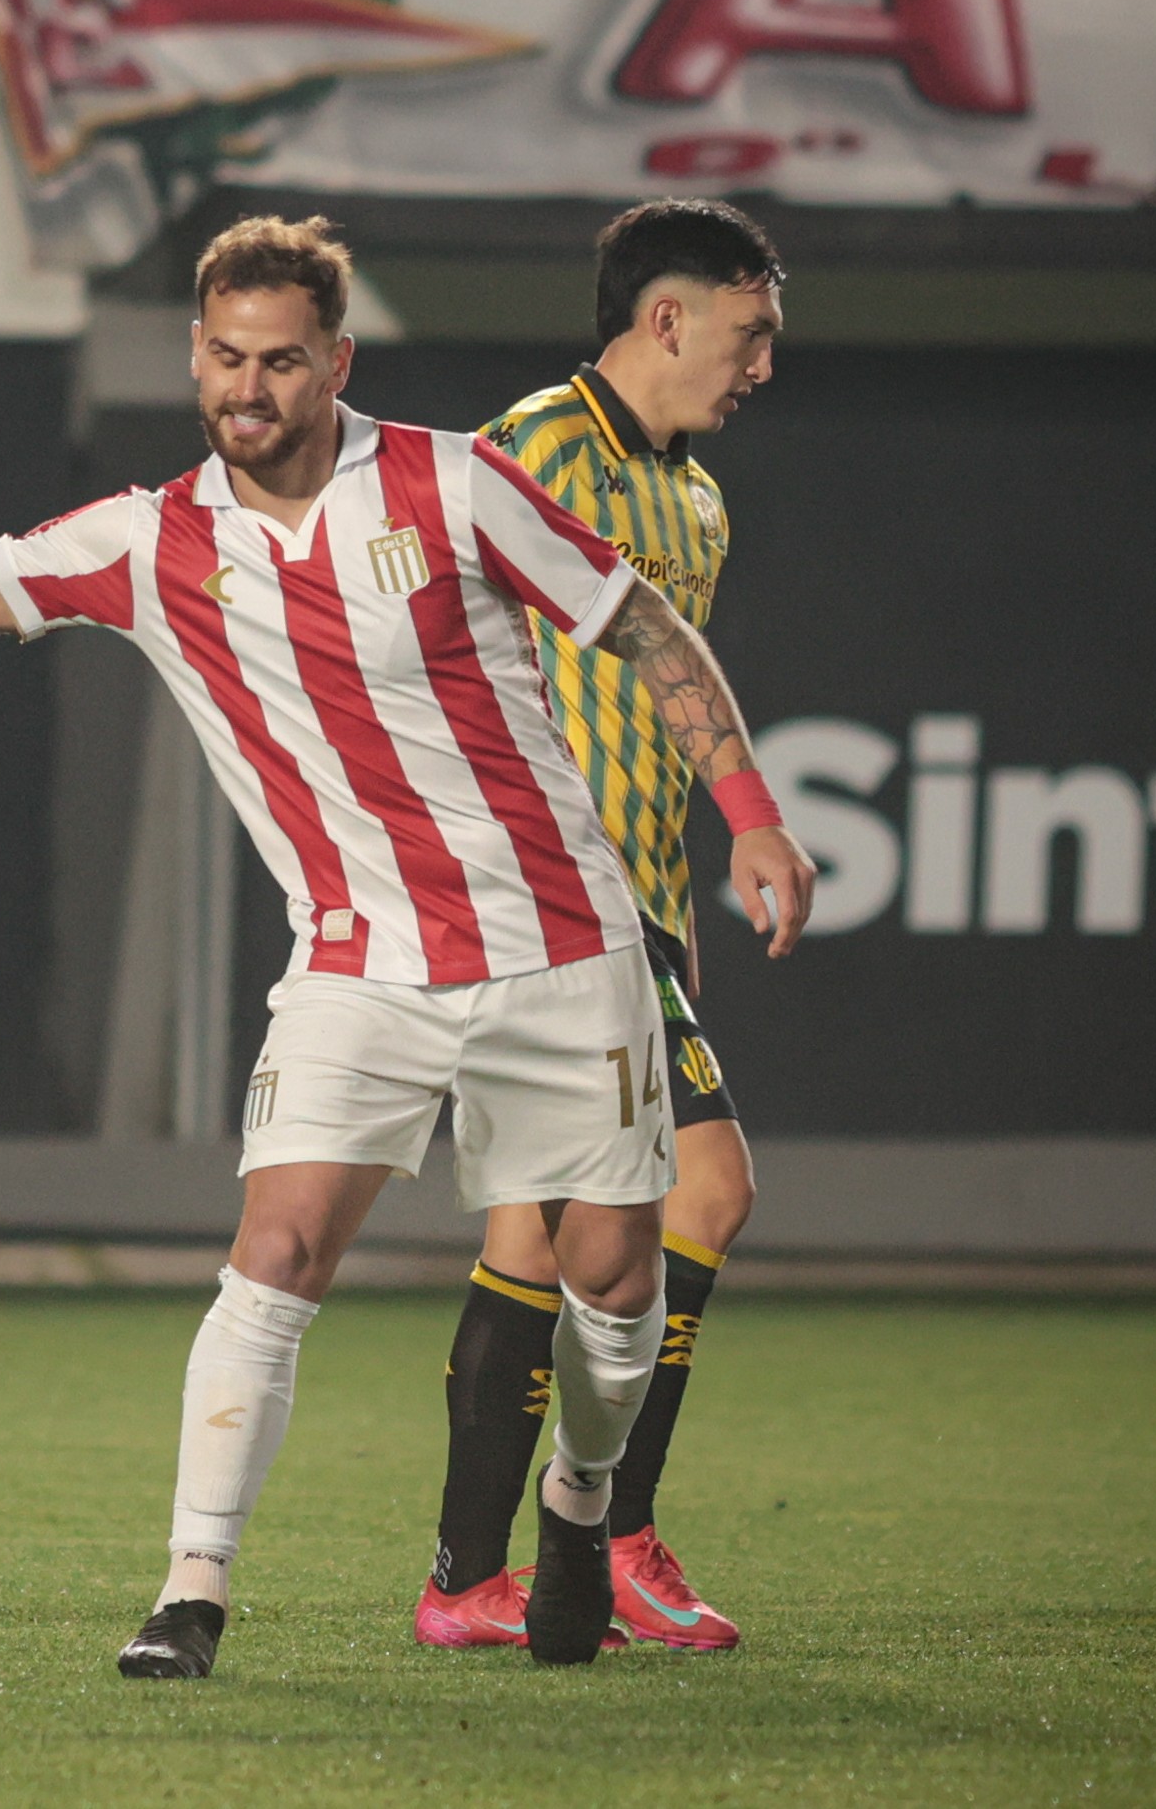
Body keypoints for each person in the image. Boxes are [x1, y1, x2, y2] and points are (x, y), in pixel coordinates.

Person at [0, 213, 817, 1678]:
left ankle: (580, 1502)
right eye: (225, 357)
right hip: (359, 962)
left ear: (335, 361)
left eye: (282, 360)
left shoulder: (457, 484)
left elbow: (645, 629)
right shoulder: (149, 539)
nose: (249, 387)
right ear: (195, 356)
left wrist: (750, 814)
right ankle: (190, 1590)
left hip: (560, 944)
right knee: (272, 1252)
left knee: (613, 1276)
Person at [413, 201, 787, 1658]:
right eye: (749, 333)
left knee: (536, 1229)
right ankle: (614, 1533)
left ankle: (465, 1580)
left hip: (640, 898)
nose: (760, 366)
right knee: (706, 1193)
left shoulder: (694, 501)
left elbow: (649, 699)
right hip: (543, 898)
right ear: (670, 317)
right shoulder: (530, 450)